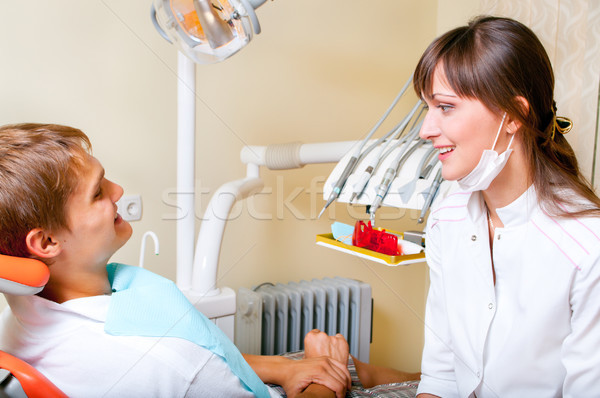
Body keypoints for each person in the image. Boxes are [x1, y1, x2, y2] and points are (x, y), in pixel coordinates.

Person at [0, 123, 351, 398]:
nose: (118, 190)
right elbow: (190, 368)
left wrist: (284, 368)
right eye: (97, 192)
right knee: (352, 366)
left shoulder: (21, 314)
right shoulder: (162, 363)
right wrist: (331, 376)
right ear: (46, 241)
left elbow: (209, 359)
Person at [413, 16, 600, 397]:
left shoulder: (587, 246)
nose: (426, 129)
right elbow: (442, 375)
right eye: (427, 108)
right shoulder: (446, 219)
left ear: (513, 115)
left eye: (445, 107)